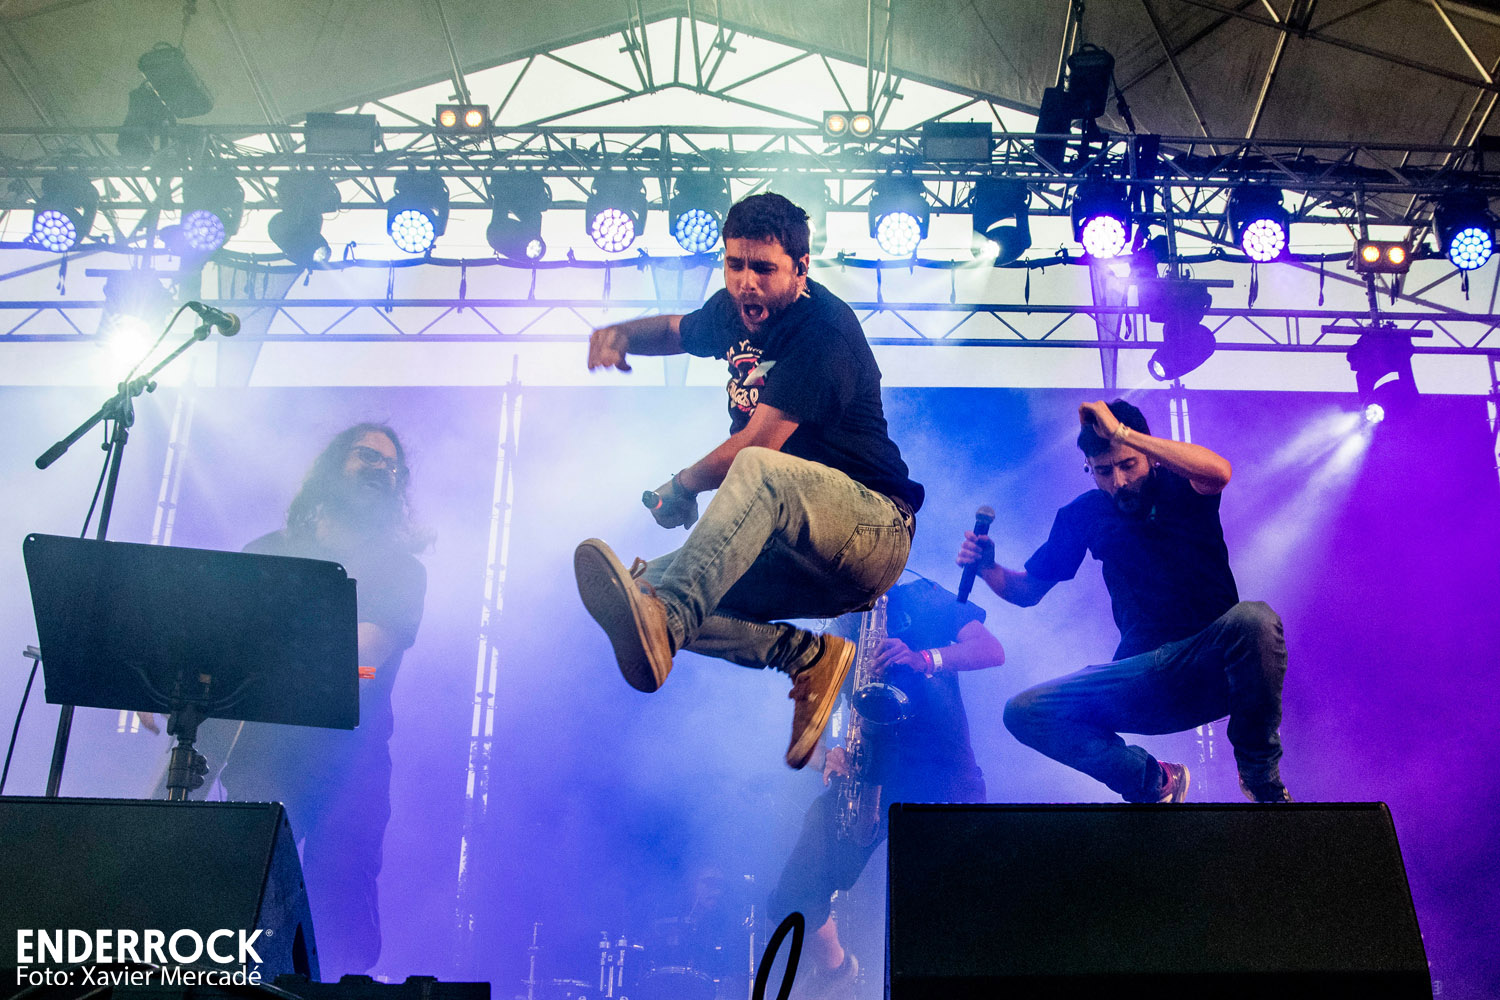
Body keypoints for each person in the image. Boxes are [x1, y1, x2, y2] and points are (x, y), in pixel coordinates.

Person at [575, 192, 922, 769]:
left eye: (763, 268)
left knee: (758, 470)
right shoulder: (735, 308)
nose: (745, 283)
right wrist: (623, 334)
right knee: (636, 593)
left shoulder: (823, 333)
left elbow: (756, 447)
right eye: (734, 265)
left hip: (872, 532)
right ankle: (804, 656)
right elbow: (678, 330)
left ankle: (672, 619)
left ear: (801, 268)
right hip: (796, 552)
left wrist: (683, 484)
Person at [956, 399, 1290, 804]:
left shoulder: (1181, 484)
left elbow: (1220, 472)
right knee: (1024, 711)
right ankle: (1154, 781)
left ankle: (1260, 777)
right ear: (1089, 468)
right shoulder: (1082, 514)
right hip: (1143, 675)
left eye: (1128, 465)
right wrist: (989, 568)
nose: (1118, 481)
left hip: (1212, 664)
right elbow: (1027, 591)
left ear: (1149, 454)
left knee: (1255, 619)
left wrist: (1122, 434)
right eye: (1103, 471)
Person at [219, 423, 428, 977]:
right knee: (245, 906)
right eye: (368, 457)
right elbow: (219, 644)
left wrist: (258, 649)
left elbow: (359, 659)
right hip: (262, 759)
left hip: (351, 764)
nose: (382, 471)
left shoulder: (401, 572)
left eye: (393, 467)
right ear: (334, 465)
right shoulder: (267, 552)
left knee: (341, 916)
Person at [767, 577, 1005, 998]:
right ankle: (837, 972)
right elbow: (804, 741)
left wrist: (923, 658)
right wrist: (826, 758)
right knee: (792, 897)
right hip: (868, 775)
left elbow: (991, 650)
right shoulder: (830, 634)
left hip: (942, 774)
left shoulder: (924, 596)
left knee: (959, 914)